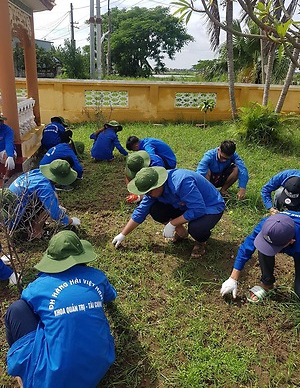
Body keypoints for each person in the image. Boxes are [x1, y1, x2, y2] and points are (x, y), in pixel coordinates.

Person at [5, 230, 117, 388]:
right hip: (99, 362)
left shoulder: (37, 287)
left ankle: (25, 372)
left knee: (17, 309)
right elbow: (110, 296)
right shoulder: (97, 277)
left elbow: (27, 304)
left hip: (52, 380)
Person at [112, 166, 225, 257]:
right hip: (185, 205)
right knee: (156, 209)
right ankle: (181, 234)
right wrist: (123, 234)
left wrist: (173, 223)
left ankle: (201, 242)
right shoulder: (152, 191)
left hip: (209, 206)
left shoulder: (181, 182)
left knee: (196, 228)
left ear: (158, 185)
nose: (147, 196)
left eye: (149, 193)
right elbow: (141, 211)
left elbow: (199, 209)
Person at [220, 213, 300, 303]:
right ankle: (267, 284)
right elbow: (246, 248)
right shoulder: (269, 225)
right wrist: (233, 278)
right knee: (263, 246)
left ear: (291, 241)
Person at [8, 159, 80, 239]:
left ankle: (33, 224)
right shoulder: (44, 186)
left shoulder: (37, 173)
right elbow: (54, 213)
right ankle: (36, 232)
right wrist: (70, 221)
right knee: (49, 205)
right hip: (12, 221)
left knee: (52, 197)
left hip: (9, 213)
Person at [0, 115, 16, 182]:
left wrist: (10, 155)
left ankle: (6, 176)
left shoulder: (8, 130)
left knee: (9, 156)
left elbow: (9, 143)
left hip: (4, 150)